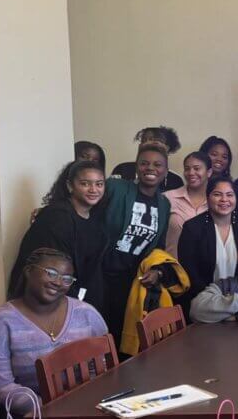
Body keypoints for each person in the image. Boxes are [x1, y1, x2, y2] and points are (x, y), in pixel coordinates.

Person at [0, 248, 108, 416]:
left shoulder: (87, 314)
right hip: (27, 413)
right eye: (51, 273)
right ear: (28, 271)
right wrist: (52, 409)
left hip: (82, 408)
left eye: (67, 279)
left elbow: (102, 365)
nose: (58, 282)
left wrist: (84, 401)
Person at [8, 161, 108, 312]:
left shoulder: (95, 219)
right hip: (44, 304)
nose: (93, 189)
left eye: (99, 184)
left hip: (75, 298)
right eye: (85, 184)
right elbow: (55, 272)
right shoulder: (58, 217)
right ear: (70, 186)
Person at [100, 143, 171, 339]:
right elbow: (87, 200)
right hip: (102, 276)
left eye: (158, 165)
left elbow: (159, 247)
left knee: (123, 334)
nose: (150, 168)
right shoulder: (116, 188)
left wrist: (157, 270)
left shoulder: (164, 204)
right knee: (101, 333)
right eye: (144, 163)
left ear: (165, 171)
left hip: (133, 281)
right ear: (136, 166)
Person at [176, 176, 238, 319]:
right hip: (205, 303)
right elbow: (189, 272)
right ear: (207, 197)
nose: (224, 200)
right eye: (217, 194)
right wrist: (217, 302)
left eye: (229, 195)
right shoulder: (192, 228)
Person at [163, 152, 212, 258]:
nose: (191, 173)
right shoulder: (168, 198)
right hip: (171, 269)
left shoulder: (216, 202)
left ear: (209, 172)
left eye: (197, 168)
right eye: (187, 168)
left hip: (205, 271)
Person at [110, 126, 184, 190]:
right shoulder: (122, 169)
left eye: (156, 141)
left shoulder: (175, 180)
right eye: (144, 140)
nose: (148, 144)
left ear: (167, 148)